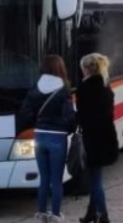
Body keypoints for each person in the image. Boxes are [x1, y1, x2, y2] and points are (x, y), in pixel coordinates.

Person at [17, 55, 76, 223]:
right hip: (58, 138)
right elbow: (69, 117)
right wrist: (70, 129)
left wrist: (36, 122)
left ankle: (41, 214)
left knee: (44, 179)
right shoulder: (63, 90)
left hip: (40, 136)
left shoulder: (35, 88)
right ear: (60, 68)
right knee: (56, 180)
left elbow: (24, 114)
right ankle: (56, 215)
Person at [77, 53, 119, 223]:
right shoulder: (105, 86)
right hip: (106, 136)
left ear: (87, 68)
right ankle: (91, 213)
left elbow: (83, 115)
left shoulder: (85, 88)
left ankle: (103, 215)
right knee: (97, 176)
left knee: (96, 181)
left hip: (92, 138)